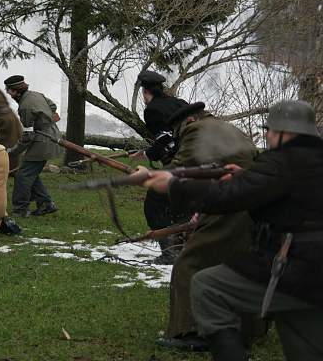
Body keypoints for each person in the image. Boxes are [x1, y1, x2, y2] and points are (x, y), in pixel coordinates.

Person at [142, 100, 323, 361]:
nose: (267, 136)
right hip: (310, 275)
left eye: (270, 130)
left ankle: (202, 336)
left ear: (286, 133)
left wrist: (173, 185)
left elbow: (227, 197)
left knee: (208, 285)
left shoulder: (284, 161)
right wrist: (246, 178)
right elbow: (281, 193)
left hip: (299, 270)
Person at [155, 102, 266, 351]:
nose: (179, 136)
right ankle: (250, 328)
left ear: (189, 121)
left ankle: (192, 332)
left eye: (178, 131)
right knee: (240, 265)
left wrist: (147, 174)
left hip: (232, 204)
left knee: (189, 263)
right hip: (251, 200)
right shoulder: (226, 128)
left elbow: (179, 170)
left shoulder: (197, 130)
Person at [130, 70, 189, 265]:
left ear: (145, 92)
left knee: (154, 207)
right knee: (181, 208)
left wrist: (149, 154)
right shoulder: (179, 103)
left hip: (179, 163)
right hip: (196, 158)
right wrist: (147, 151)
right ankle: (184, 248)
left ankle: (170, 253)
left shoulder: (152, 110)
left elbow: (165, 140)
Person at [3, 75, 61, 218]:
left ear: (16, 91)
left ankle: (20, 209)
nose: (8, 94)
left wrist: (13, 152)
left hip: (43, 142)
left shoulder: (25, 107)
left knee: (22, 175)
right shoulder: (36, 94)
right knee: (30, 173)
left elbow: (28, 136)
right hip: (51, 136)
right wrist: (47, 117)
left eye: (9, 91)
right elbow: (52, 106)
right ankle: (46, 204)